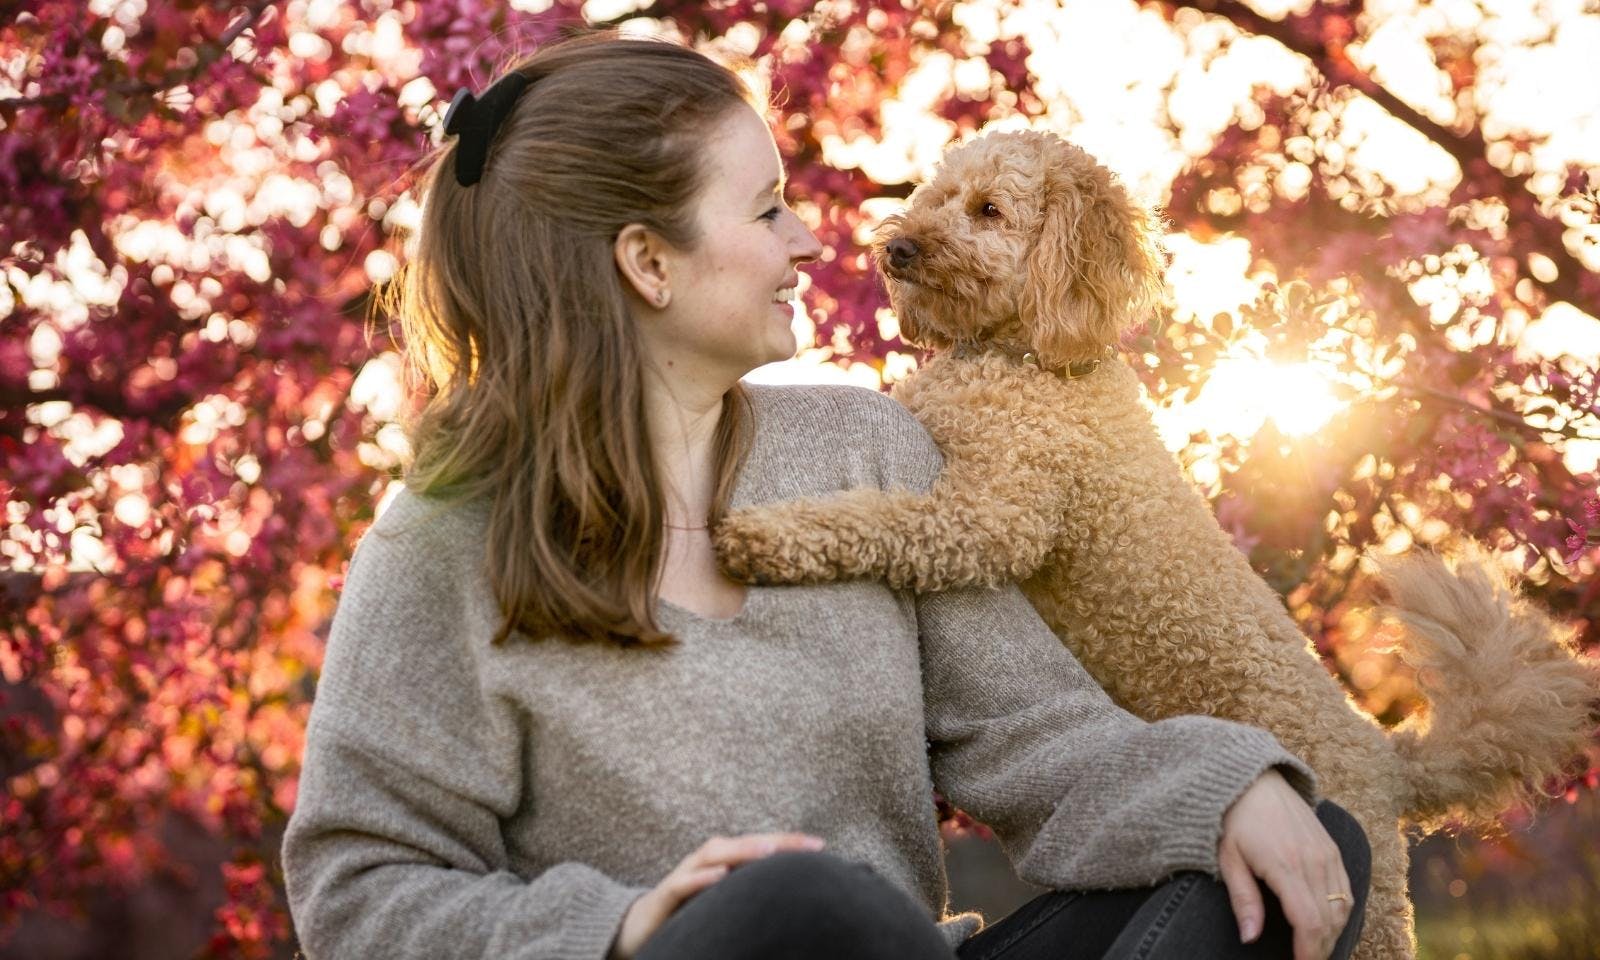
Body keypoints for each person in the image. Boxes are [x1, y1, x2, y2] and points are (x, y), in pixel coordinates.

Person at [280, 31, 1370, 960]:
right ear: (646, 262)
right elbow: (358, 884)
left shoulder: (864, 447)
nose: (809, 242)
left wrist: (1224, 788)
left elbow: (1036, 735)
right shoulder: (441, 541)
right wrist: (618, 930)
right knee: (793, 905)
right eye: (766, 213)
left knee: (1290, 853)